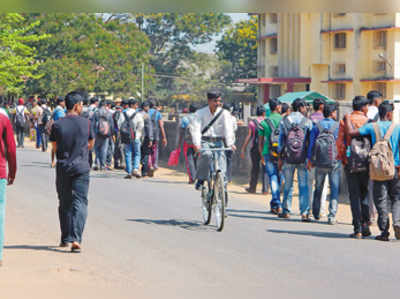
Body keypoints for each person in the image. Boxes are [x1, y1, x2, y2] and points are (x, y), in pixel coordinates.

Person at [345, 101, 400, 241]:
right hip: (395, 168)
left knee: (380, 199)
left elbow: (351, 133)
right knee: (396, 198)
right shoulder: (397, 127)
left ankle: (384, 231)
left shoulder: (372, 126)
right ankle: (397, 223)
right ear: (389, 114)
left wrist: (347, 118)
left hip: (377, 169)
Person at [49, 91, 94, 252]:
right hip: (81, 167)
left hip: (63, 167)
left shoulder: (58, 124)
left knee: (64, 202)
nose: (83, 107)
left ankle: (65, 237)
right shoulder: (86, 123)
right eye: (82, 104)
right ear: (76, 105)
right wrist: (80, 151)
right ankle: (76, 239)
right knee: (80, 202)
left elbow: (54, 146)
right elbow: (90, 143)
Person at [337, 96, 371, 239]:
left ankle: (357, 229)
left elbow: (340, 143)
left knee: (354, 196)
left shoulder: (345, 120)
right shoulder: (369, 122)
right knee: (364, 194)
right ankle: (365, 226)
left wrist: (343, 159)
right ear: (363, 107)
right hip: (366, 163)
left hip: (350, 163)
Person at [191, 91, 235, 191]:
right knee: (206, 155)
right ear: (209, 101)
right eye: (215, 101)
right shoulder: (200, 113)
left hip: (219, 141)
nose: (218, 103)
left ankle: (223, 187)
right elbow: (196, 129)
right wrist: (197, 144)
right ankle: (201, 179)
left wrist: (230, 143)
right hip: (205, 141)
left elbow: (228, 129)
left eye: (219, 101)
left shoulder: (225, 113)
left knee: (222, 164)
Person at [278, 98, 313, 221]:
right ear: (301, 107)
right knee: (303, 185)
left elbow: (281, 141)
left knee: (288, 184)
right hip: (303, 158)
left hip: (288, 157)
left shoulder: (284, 121)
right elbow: (310, 142)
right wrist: (309, 158)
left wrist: (280, 157)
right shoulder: (307, 122)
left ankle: (286, 210)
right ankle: (304, 212)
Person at [307, 103, 340, 224]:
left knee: (318, 187)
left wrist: (310, 160)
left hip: (320, 161)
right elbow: (341, 143)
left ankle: (316, 212)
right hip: (334, 161)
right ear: (332, 113)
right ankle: (332, 215)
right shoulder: (338, 126)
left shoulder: (317, 126)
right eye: (335, 112)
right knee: (334, 188)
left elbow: (311, 144)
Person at [259, 99, 282, 214]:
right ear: (277, 107)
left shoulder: (264, 122)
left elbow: (260, 141)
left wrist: (261, 154)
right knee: (279, 176)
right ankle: (278, 203)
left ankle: (276, 203)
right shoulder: (284, 121)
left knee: (272, 176)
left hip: (268, 152)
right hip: (281, 153)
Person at [0, 111, 17, 266]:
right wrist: (12, 172)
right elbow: (11, 149)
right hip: (0, 173)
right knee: (0, 212)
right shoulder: (3, 119)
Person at [241, 106, 268, 194]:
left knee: (255, 168)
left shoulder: (252, 123)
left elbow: (249, 136)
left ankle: (253, 188)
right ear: (264, 113)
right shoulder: (267, 121)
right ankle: (265, 189)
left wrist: (243, 148)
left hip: (255, 148)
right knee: (265, 168)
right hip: (265, 147)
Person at [308, 98, 328, 218]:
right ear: (321, 106)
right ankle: (322, 209)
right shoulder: (327, 121)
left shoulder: (309, 119)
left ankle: (310, 208)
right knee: (324, 185)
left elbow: (309, 141)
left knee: (310, 183)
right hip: (325, 157)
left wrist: (309, 157)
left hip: (313, 156)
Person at [121, 100, 144, 179]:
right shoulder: (138, 114)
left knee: (128, 153)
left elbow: (119, 123)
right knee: (137, 153)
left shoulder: (123, 113)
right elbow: (141, 125)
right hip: (136, 136)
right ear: (133, 105)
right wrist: (137, 133)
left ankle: (129, 171)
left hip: (126, 136)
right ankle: (135, 169)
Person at [177, 104, 198, 184]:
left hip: (188, 142)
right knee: (197, 160)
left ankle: (192, 177)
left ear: (189, 110)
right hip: (198, 143)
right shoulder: (200, 118)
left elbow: (181, 132)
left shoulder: (185, 118)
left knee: (189, 160)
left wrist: (179, 143)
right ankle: (198, 177)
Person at [148, 100, 167, 176]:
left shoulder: (146, 112)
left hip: (147, 135)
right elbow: (161, 126)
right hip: (155, 134)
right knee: (155, 150)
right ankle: (154, 164)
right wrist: (164, 137)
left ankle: (149, 165)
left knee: (148, 150)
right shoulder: (158, 113)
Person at [93, 100, 114, 171]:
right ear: (105, 105)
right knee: (104, 150)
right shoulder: (109, 113)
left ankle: (97, 163)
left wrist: (93, 133)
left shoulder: (96, 112)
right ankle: (103, 165)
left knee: (97, 149)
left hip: (98, 132)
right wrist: (111, 133)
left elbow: (93, 123)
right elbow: (111, 124)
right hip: (106, 133)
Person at [140, 101, 154, 177]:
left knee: (138, 153)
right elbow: (149, 129)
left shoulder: (137, 114)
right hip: (145, 137)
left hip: (136, 137)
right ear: (145, 107)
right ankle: (144, 171)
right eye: (148, 107)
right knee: (146, 154)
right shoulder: (146, 116)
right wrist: (151, 139)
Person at [51, 97, 66, 167]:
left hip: (54, 128)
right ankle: (57, 161)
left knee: (54, 146)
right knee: (59, 146)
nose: (64, 103)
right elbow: (61, 119)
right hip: (59, 129)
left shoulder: (56, 109)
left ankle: (53, 161)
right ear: (60, 102)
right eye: (63, 102)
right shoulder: (60, 110)